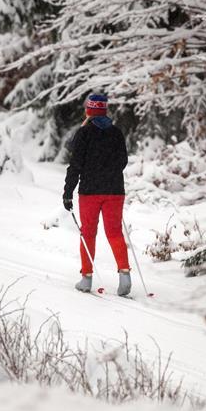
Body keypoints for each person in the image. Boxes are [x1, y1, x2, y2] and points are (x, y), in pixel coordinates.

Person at [63, 93, 131, 296]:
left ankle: (86, 279)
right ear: (105, 110)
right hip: (115, 191)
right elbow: (123, 161)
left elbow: (75, 165)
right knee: (115, 233)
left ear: (89, 110)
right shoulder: (116, 132)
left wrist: (68, 192)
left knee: (88, 234)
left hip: (90, 192)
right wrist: (109, 172)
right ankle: (125, 275)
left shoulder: (83, 134)